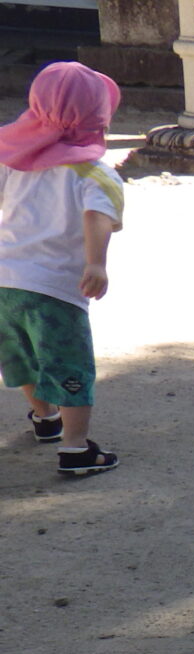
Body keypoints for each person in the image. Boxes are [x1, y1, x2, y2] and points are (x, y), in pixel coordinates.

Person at [0, 61, 124, 477]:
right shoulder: (95, 174)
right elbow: (97, 216)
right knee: (70, 363)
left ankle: (45, 418)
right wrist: (96, 262)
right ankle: (76, 448)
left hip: (5, 281)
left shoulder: (15, 162)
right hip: (54, 289)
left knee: (21, 356)